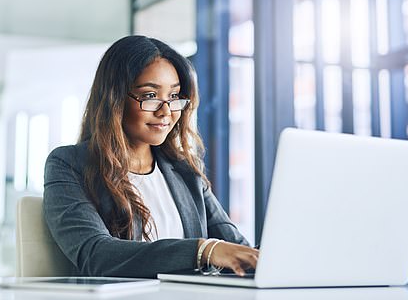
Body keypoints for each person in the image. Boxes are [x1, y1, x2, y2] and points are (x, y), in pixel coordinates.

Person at [43, 35, 258, 278]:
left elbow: (238, 249)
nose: (165, 111)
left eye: (174, 96)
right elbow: (96, 255)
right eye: (150, 96)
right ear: (114, 98)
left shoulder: (185, 170)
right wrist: (202, 251)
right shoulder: (68, 164)